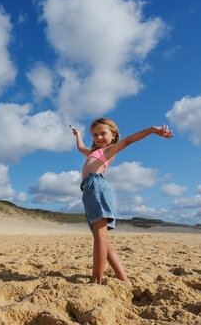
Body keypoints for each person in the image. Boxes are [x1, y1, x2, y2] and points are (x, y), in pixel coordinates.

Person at [71, 118, 173, 285]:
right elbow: (81, 148)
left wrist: (152, 129)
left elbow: (129, 139)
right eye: (95, 135)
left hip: (96, 185)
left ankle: (96, 280)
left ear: (113, 135)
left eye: (103, 133)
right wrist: (78, 135)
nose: (99, 137)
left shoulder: (109, 150)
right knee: (101, 238)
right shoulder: (93, 152)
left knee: (100, 237)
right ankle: (124, 279)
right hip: (89, 189)